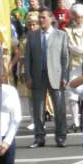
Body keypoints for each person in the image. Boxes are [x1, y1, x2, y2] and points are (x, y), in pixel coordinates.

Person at [23, 8, 70, 148]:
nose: (40, 20)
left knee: (59, 108)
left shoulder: (61, 35)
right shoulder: (32, 36)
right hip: (38, 76)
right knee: (38, 109)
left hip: (56, 76)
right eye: (40, 17)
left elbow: (65, 58)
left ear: (51, 18)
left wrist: (65, 76)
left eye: (43, 17)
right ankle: (39, 137)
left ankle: (61, 137)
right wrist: (28, 76)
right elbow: (27, 59)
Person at [65, 4, 83, 132]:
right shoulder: (68, 31)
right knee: (72, 94)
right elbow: (70, 46)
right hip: (74, 66)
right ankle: (75, 122)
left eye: (79, 16)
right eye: (75, 16)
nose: (77, 18)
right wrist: (80, 49)